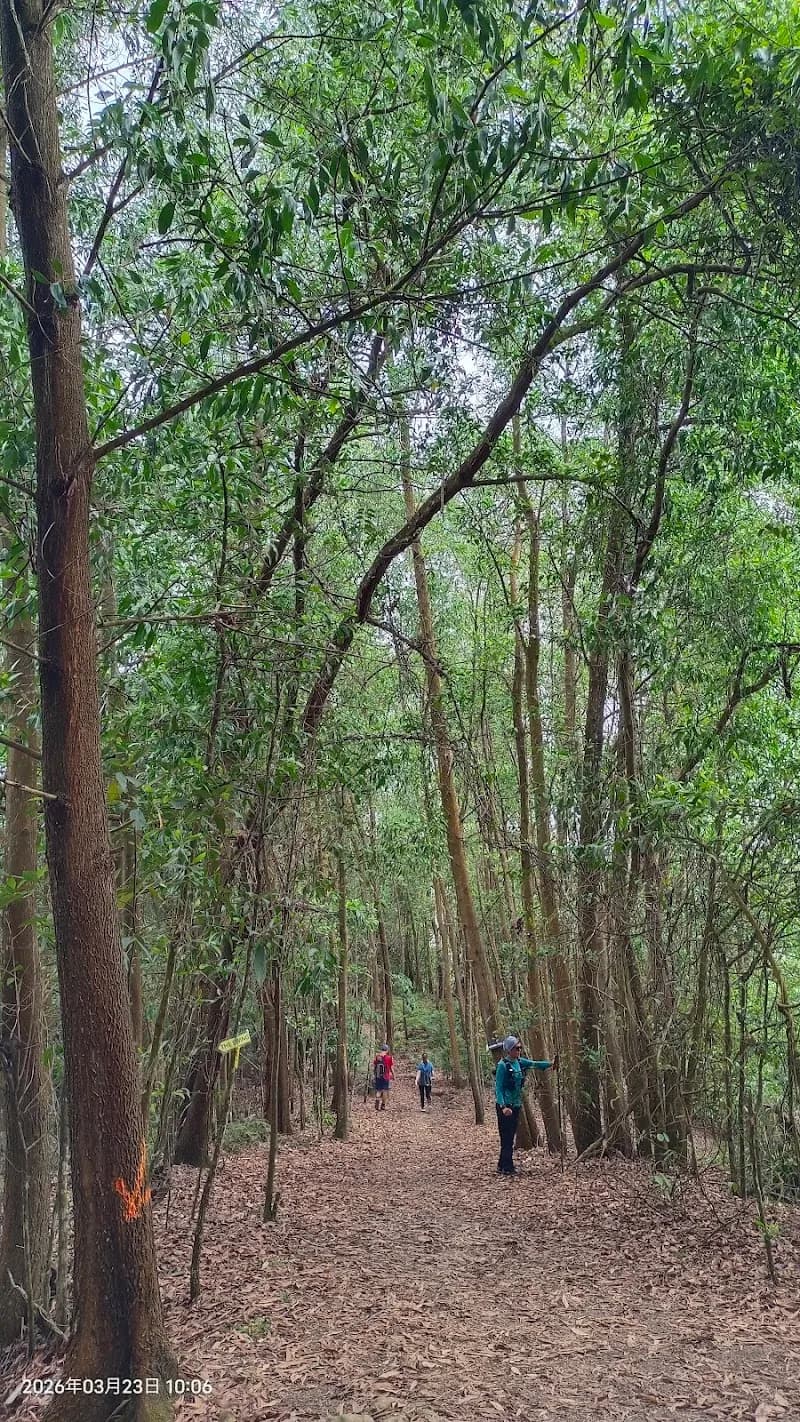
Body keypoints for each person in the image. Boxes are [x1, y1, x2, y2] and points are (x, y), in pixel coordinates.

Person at [494, 1035, 557, 1175]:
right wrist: (503, 1107)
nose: (519, 1050)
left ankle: (502, 1164)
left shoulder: (520, 1062)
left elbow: (535, 1064)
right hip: (506, 1107)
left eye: (520, 1048)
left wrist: (551, 1064)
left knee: (510, 1136)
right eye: (516, 1048)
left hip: (516, 1105)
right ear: (509, 1050)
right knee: (507, 1137)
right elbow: (498, 1088)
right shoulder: (502, 1066)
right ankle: (507, 1167)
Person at [373, 1043, 394, 1111]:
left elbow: (374, 1065)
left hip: (378, 1076)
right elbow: (391, 1067)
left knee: (378, 1090)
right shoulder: (389, 1058)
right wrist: (393, 1075)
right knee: (385, 1090)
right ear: (387, 1050)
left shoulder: (377, 1057)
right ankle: (383, 1105)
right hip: (386, 1076)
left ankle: (377, 1103)